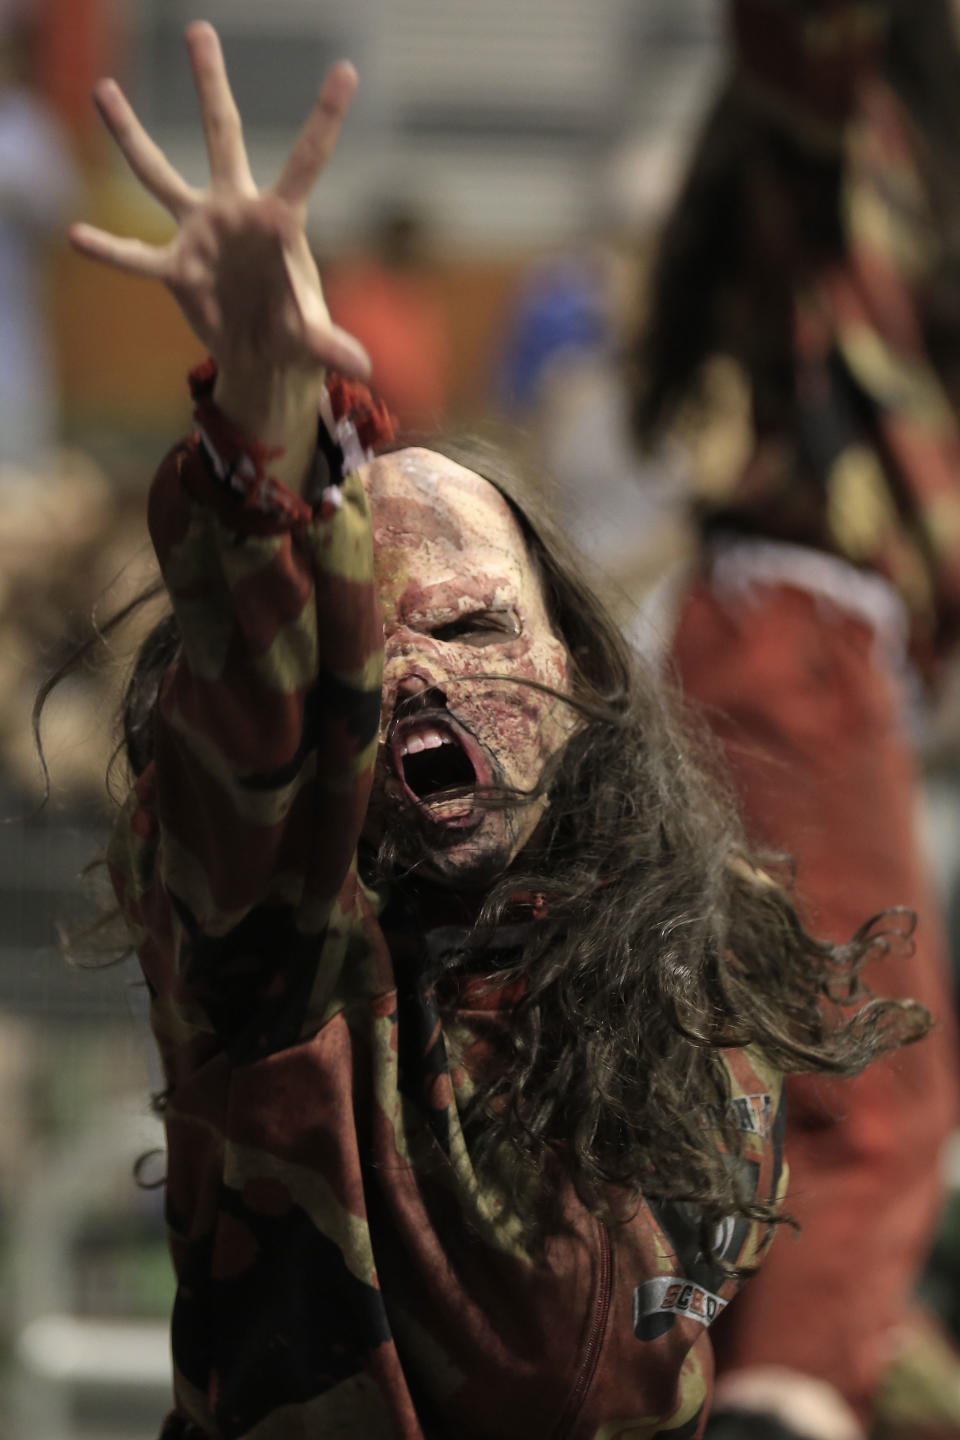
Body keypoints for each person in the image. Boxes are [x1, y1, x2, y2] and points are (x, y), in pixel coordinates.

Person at [67, 23, 925, 1439]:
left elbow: (848, 1169)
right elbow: (258, 727)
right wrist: (268, 435)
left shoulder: (704, 957)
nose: (418, 677)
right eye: (368, 651)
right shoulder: (282, 972)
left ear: (587, 681)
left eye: (467, 631)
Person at [633, 1, 960, 1435]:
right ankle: (784, 1395)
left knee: (781, 1085)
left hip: (789, 652)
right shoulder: (838, 143)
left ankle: (772, 1373)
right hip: (795, 654)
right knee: (867, 1102)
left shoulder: (870, 178)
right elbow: (794, 30)